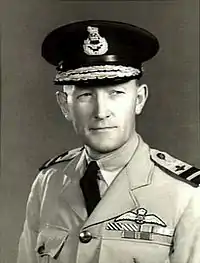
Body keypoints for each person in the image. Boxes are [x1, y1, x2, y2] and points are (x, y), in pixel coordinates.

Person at [17, 20, 200, 263]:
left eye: (116, 92)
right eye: (85, 95)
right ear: (64, 105)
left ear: (139, 99)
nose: (101, 111)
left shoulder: (186, 194)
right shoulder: (48, 183)